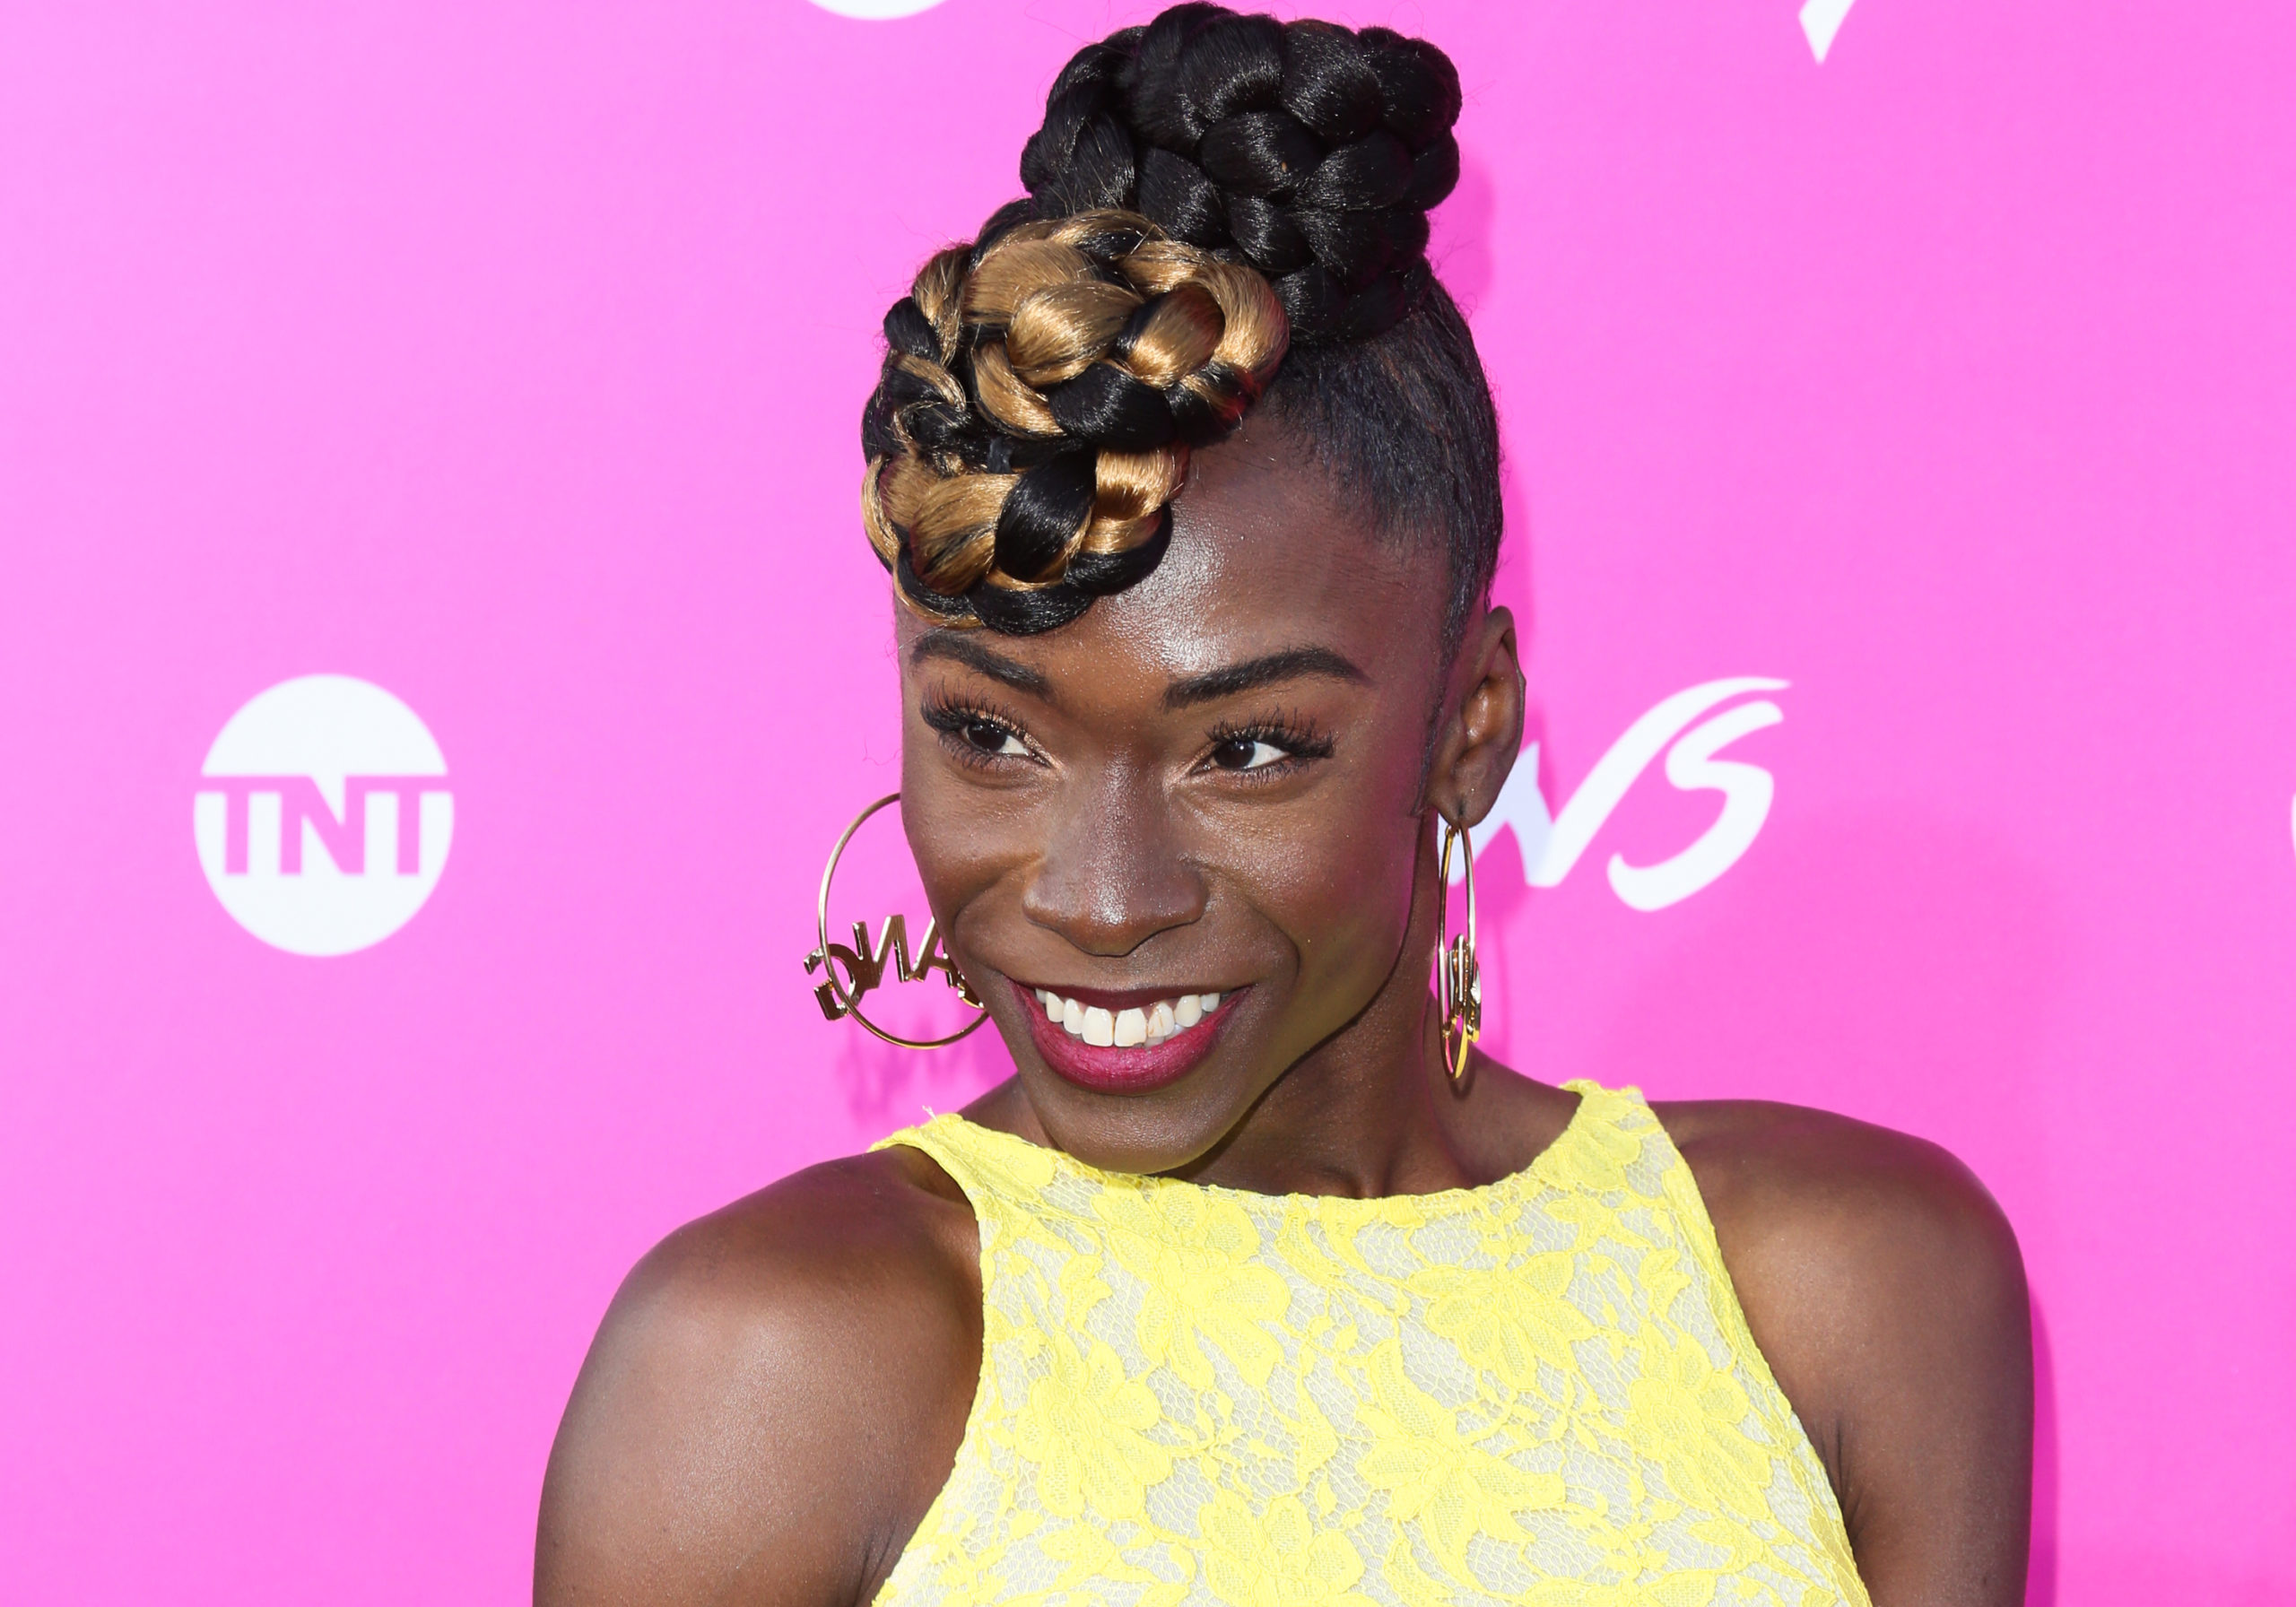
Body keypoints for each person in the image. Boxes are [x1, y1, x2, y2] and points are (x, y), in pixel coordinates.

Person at [535, 8, 2032, 1603]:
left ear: (1471, 729)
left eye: (1247, 751)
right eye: (992, 732)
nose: (1103, 900)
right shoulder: (774, 1367)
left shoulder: (1848, 1289)